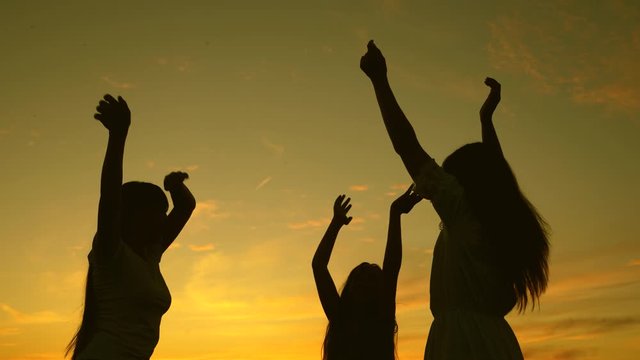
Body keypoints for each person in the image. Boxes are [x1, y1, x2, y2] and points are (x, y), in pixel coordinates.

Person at [360, 40, 550, 360]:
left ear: (464, 183)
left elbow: (407, 146)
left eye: (451, 177)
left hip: (461, 345)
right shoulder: (502, 223)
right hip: (498, 344)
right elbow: (497, 176)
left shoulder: (463, 214)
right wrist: (486, 120)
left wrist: (380, 82)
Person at [66, 95, 196, 359]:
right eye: (157, 212)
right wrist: (118, 136)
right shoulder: (111, 253)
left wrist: (175, 187)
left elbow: (186, 207)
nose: (163, 219)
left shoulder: (150, 256)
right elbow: (110, 198)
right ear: (134, 216)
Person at [312, 188, 422, 360]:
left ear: (379, 289)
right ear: (349, 287)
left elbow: (392, 265)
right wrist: (335, 224)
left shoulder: (382, 317)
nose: (363, 283)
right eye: (358, 278)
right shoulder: (340, 317)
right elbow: (318, 266)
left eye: (370, 279)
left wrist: (395, 213)